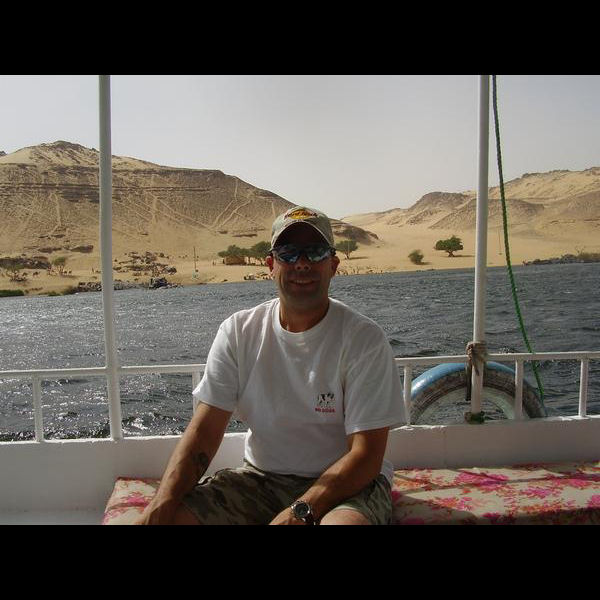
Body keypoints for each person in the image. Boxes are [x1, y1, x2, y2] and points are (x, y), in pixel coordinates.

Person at [135, 206, 405, 525]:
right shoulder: (238, 331)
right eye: (288, 253)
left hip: (348, 484)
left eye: (315, 252)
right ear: (270, 266)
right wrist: (160, 506)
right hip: (260, 479)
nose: (301, 263)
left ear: (333, 265)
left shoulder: (363, 339)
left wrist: (298, 512)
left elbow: (366, 456)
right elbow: (205, 432)